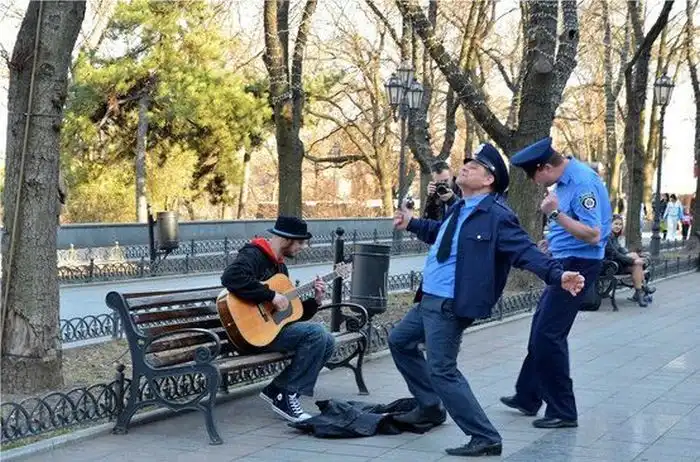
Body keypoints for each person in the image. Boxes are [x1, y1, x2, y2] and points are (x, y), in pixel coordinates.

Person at [391, 143, 586, 457]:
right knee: (400, 341)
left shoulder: (497, 216)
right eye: (466, 162)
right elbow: (444, 235)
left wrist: (558, 275)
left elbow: (525, 251)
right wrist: (412, 223)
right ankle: (429, 406)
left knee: (442, 369)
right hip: (429, 298)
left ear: (488, 180)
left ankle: (485, 436)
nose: (465, 166)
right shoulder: (461, 207)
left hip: (449, 304)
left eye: (475, 166)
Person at [501, 136, 612, 429]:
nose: (534, 182)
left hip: (579, 266)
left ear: (545, 167)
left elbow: (593, 234)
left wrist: (555, 214)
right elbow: (573, 226)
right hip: (565, 259)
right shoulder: (564, 182)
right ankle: (527, 396)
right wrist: (553, 243)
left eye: (533, 175)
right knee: (541, 330)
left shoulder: (582, 183)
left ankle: (563, 410)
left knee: (548, 335)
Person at [220, 216, 332, 423]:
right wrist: (270, 295)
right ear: (285, 239)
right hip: (249, 334)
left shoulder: (280, 268)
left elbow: (287, 316)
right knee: (316, 334)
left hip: (269, 332)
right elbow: (230, 277)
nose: (303, 247)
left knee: (328, 340)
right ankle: (286, 397)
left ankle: (277, 390)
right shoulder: (254, 254)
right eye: (300, 242)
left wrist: (316, 301)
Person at [605, 214, 656, 307]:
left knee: (637, 265)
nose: (618, 226)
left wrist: (633, 256)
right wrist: (633, 260)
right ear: (610, 224)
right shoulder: (607, 236)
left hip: (618, 263)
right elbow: (614, 254)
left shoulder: (614, 236)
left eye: (620, 224)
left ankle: (640, 296)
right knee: (636, 260)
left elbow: (620, 250)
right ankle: (644, 287)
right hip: (610, 265)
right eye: (616, 224)